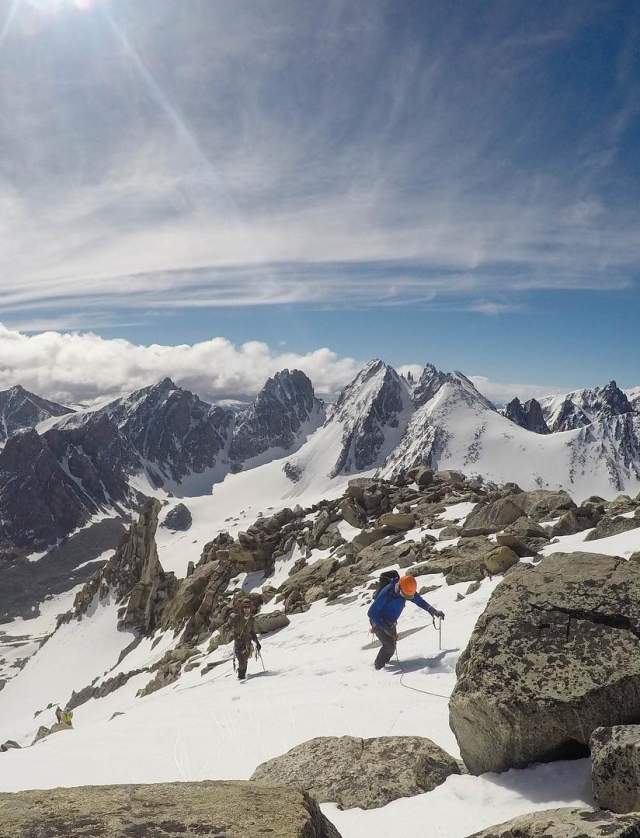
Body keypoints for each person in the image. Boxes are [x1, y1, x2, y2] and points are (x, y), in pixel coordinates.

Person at [367, 575, 445, 670]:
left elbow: (419, 601)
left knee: (392, 645)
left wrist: (433, 611)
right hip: (378, 620)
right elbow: (371, 613)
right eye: (405, 596)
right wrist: (385, 628)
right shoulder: (386, 593)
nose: (407, 598)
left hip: (391, 622)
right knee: (389, 646)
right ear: (399, 587)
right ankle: (378, 667)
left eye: (409, 596)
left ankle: (385, 663)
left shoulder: (407, 589)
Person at [230, 599, 261, 680]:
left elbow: (252, 632)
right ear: (242, 608)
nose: (246, 609)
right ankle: (241, 677)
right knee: (242, 660)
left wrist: (257, 642)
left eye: (248, 607)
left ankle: (242, 676)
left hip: (247, 643)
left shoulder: (251, 619)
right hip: (238, 643)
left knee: (245, 660)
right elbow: (233, 630)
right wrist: (236, 637)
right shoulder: (237, 618)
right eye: (245, 607)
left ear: (250, 608)